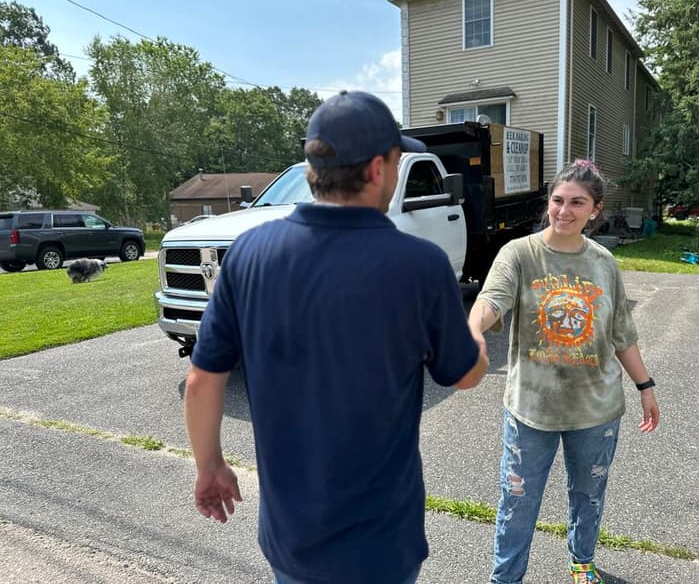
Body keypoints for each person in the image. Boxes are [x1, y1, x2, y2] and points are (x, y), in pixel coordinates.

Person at [183, 90, 489, 584]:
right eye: (395, 160)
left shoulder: (247, 254)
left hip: (292, 538)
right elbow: (466, 375)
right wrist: (474, 338)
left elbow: (202, 379)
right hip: (382, 543)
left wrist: (210, 465)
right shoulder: (420, 264)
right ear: (376, 169)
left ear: (312, 168)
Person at [467, 159, 660, 584]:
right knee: (517, 501)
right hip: (530, 409)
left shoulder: (604, 262)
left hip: (596, 409)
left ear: (595, 209)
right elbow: (492, 299)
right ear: (548, 203)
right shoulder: (519, 253)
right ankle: (505, 578)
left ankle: (581, 561)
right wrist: (473, 330)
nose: (564, 211)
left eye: (577, 203)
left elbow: (621, 333)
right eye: (558, 200)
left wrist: (645, 386)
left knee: (588, 496)